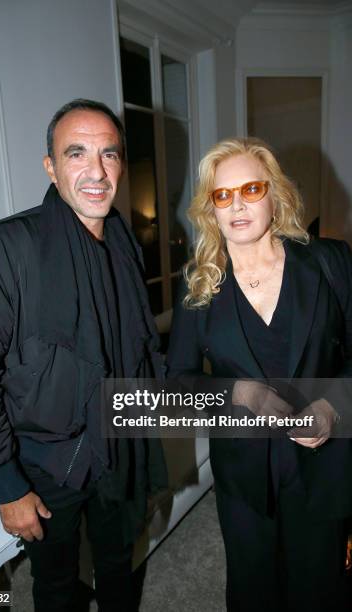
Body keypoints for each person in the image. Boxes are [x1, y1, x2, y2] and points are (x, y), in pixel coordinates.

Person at [0, 99, 167, 612]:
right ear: (50, 166)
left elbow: (138, 346)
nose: (96, 171)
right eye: (77, 154)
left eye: (109, 155)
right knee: (56, 586)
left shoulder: (124, 240)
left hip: (118, 446)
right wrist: (6, 485)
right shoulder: (6, 248)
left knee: (118, 564)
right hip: (47, 464)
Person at [166, 137, 352, 612]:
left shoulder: (331, 261)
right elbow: (179, 382)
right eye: (222, 195)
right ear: (211, 209)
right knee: (253, 591)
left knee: (319, 587)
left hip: (322, 466)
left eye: (250, 189)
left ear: (275, 194)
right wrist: (238, 391)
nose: (237, 205)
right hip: (244, 476)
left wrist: (332, 407)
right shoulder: (198, 283)